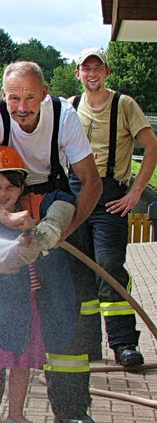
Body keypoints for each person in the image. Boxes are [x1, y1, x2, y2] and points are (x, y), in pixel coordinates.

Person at [0, 61, 102, 423]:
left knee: (68, 308)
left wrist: (64, 232)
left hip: (54, 206)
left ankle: (71, 408)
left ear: (45, 93)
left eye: (30, 98)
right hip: (4, 197)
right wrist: (3, 213)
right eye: (14, 97)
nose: (21, 107)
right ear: (4, 96)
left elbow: (91, 182)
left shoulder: (64, 117)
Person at [0, 146, 77, 423]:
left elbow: (65, 199)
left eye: (10, 186)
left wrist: (50, 226)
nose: (3, 193)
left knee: (22, 363)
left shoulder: (30, 211)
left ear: (21, 188)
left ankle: (15, 415)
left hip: (28, 304)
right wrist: (9, 260)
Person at [70, 47, 157, 367]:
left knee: (108, 266)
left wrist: (135, 193)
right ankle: (88, 345)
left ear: (106, 72)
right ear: (77, 73)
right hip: (77, 194)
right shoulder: (70, 107)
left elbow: (152, 146)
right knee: (79, 272)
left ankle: (123, 344)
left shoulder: (124, 105)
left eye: (97, 68)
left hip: (111, 198)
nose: (91, 73)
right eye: (85, 68)